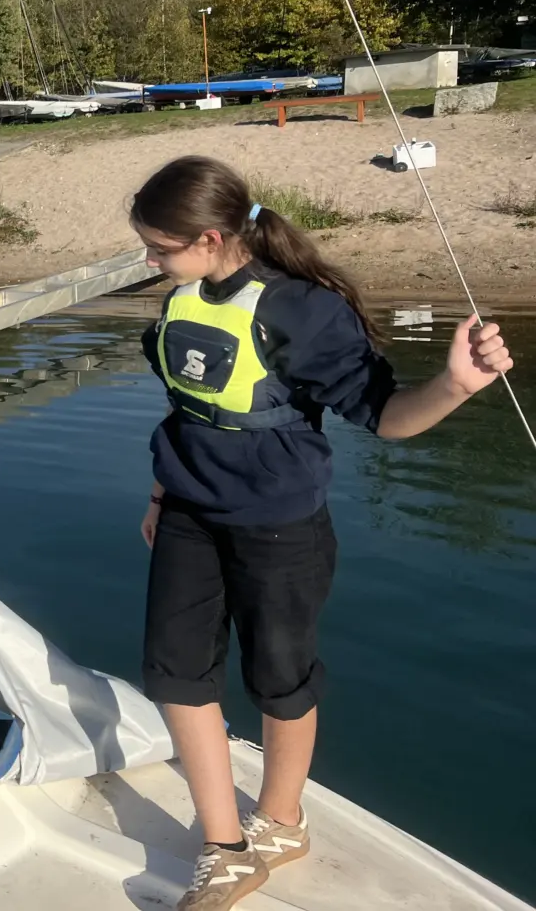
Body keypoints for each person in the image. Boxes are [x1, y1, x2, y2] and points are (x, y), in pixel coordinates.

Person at [130, 156, 513, 911]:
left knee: (280, 676)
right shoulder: (183, 297)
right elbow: (190, 409)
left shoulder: (304, 312)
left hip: (279, 526)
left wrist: (455, 386)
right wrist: (159, 491)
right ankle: (225, 847)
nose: (149, 262)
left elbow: (386, 418)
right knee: (173, 673)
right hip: (186, 513)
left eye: (159, 248)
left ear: (210, 238)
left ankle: (280, 818)